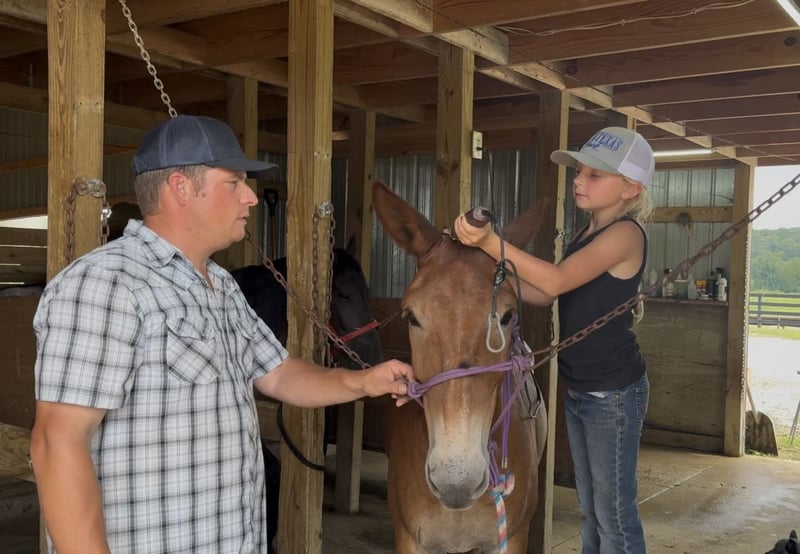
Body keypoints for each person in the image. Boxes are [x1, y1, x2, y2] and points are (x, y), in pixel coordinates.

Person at [30, 114, 415, 554]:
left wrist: (363, 381)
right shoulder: (107, 284)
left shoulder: (220, 285)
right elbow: (57, 443)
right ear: (181, 188)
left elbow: (280, 374)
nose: (250, 197)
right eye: (234, 183)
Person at [454, 126, 654, 554]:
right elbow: (546, 293)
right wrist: (494, 275)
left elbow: (556, 280)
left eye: (594, 175)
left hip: (613, 393)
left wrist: (491, 243)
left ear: (630, 188)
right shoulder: (586, 233)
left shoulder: (625, 234)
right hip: (584, 388)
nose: (579, 180)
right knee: (591, 510)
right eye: (579, 172)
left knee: (614, 516)